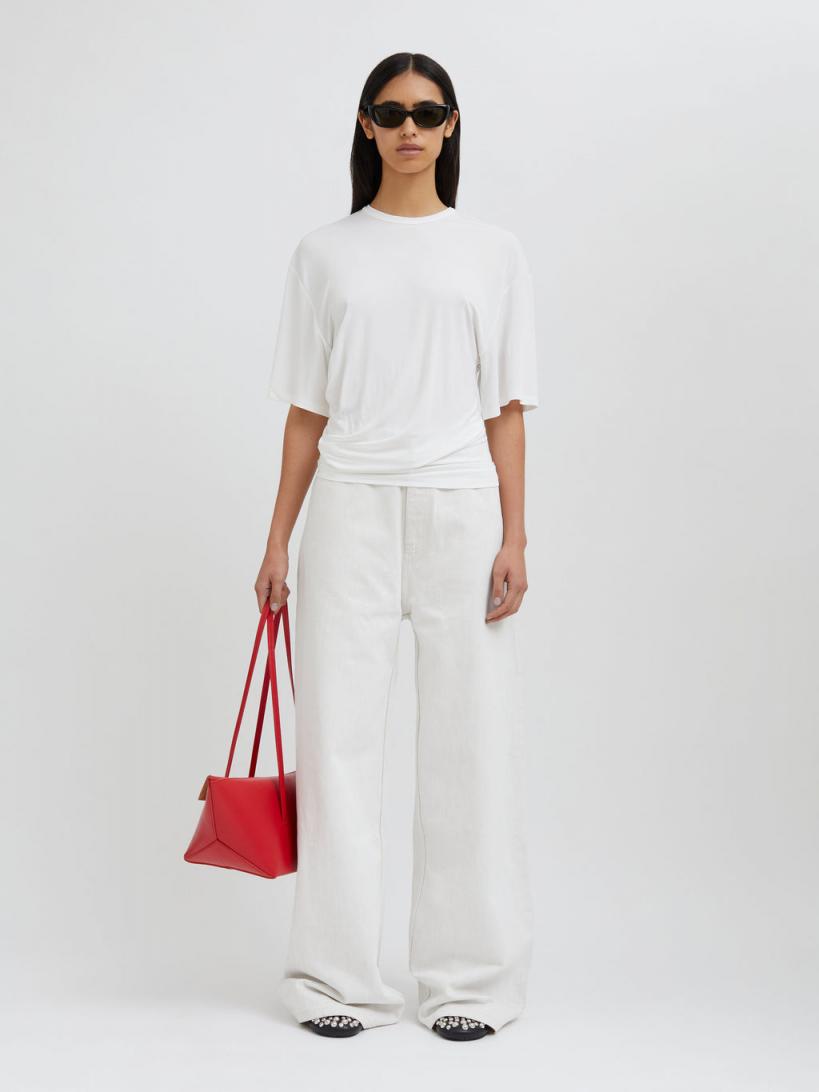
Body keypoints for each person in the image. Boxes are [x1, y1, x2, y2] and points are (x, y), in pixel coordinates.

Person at [256, 51, 538, 1042]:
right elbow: (305, 412)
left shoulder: (492, 252)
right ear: (365, 125)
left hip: (462, 511)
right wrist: (278, 539)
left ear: (450, 125)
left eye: (426, 111)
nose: (408, 127)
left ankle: (468, 983)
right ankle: (336, 980)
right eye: (389, 111)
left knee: (469, 748)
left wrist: (515, 533)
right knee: (338, 746)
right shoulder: (324, 254)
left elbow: (506, 407)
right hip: (351, 513)